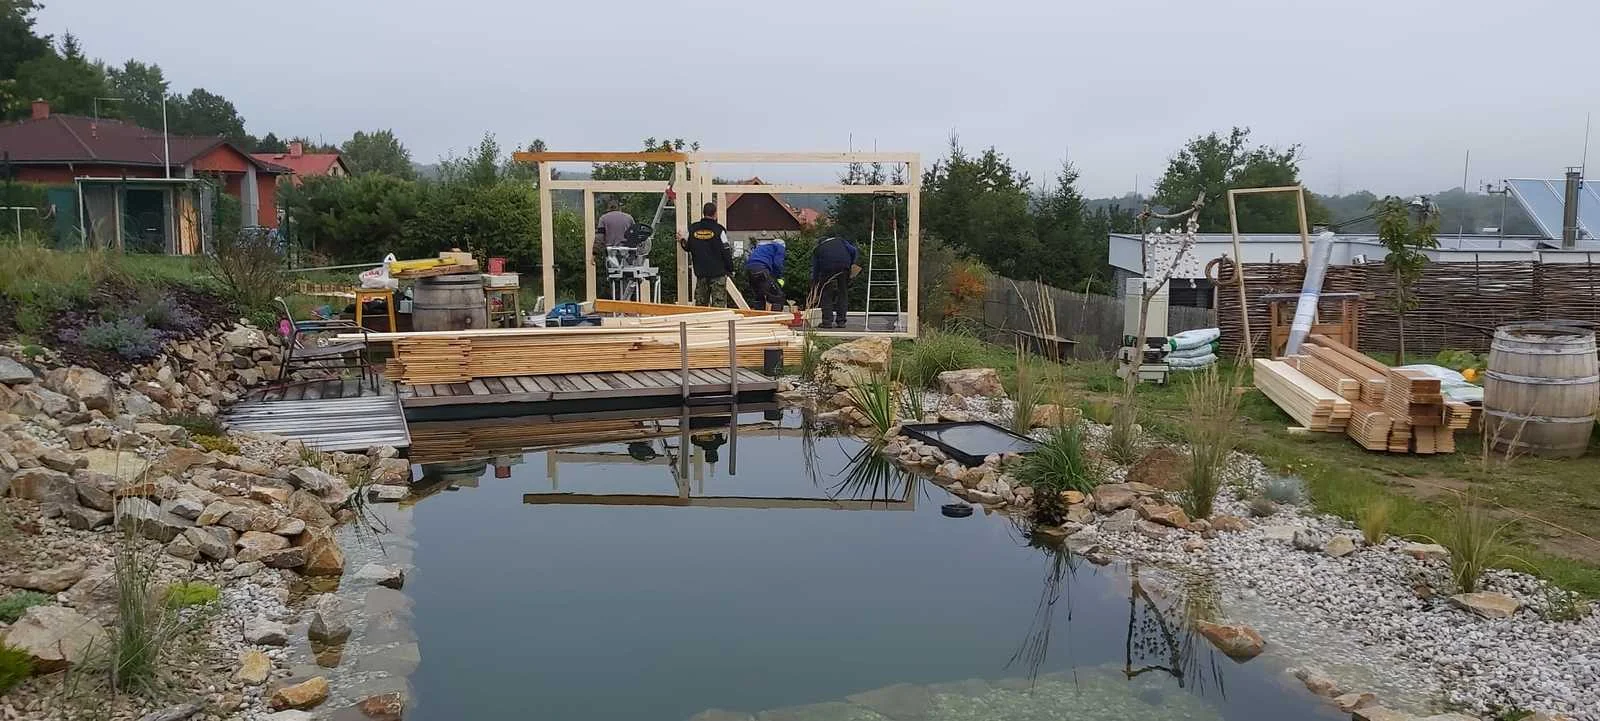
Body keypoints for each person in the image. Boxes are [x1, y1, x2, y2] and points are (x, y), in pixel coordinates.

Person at [678, 202, 734, 307]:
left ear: (703, 213)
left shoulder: (693, 229)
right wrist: (730, 269)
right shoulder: (719, 230)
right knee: (718, 307)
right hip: (718, 274)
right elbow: (726, 251)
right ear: (715, 214)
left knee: (701, 307)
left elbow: (687, 247)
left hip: (701, 274)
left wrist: (681, 240)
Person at [811, 235, 857, 328]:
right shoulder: (841, 241)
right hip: (844, 267)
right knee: (843, 293)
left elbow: (816, 268)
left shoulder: (818, 249)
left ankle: (827, 322)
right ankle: (841, 321)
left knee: (826, 294)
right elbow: (854, 250)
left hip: (827, 268)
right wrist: (851, 263)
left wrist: (815, 283)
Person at [744, 238, 786, 311]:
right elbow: (777, 264)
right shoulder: (779, 247)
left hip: (750, 270)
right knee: (777, 296)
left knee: (759, 295)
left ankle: (759, 315)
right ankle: (776, 316)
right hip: (761, 269)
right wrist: (778, 276)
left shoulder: (762, 247)